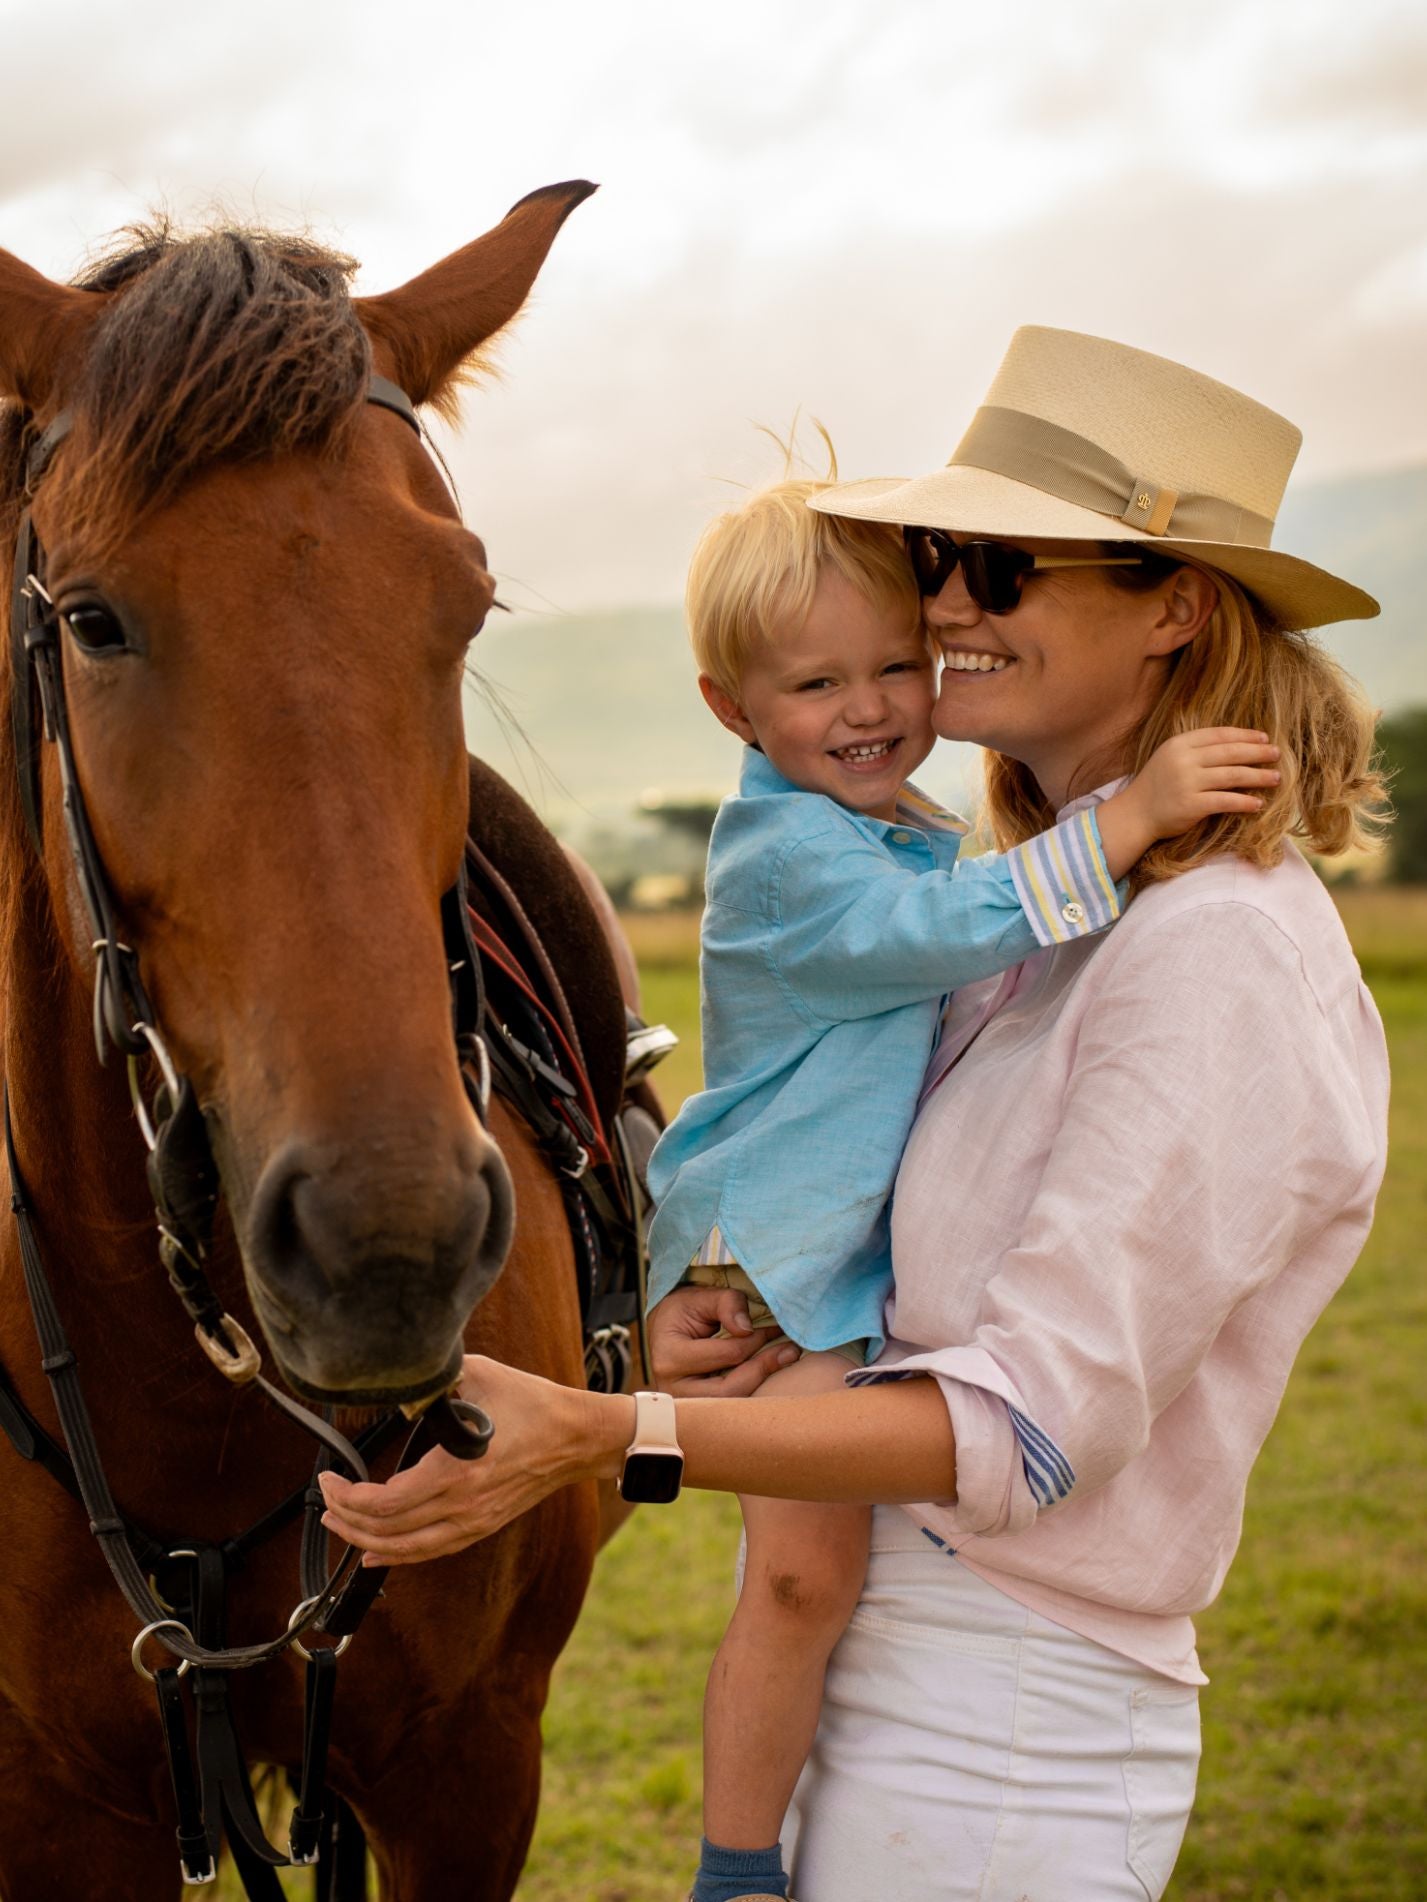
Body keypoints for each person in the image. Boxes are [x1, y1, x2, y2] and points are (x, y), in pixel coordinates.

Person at [320, 327, 1391, 1902]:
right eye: (942, 559)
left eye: (1003, 569)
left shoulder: (1210, 947)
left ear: (1177, 608)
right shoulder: (1022, 905)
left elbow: (1026, 1428)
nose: (947, 606)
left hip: (1000, 1720)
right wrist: (708, 1333)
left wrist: (615, 1431)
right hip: (891, 1670)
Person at [641, 472, 1276, 1902]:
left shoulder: (903, 827)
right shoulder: (800, 856)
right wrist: (1123, 824)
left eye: (895, 664)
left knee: (808, 1584)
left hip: (841, 1299)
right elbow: (945, 927)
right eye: (817, 681)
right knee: (798, 1581)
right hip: (782, 1277)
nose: (872, 702)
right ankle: (733, 1864)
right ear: (732, 710)